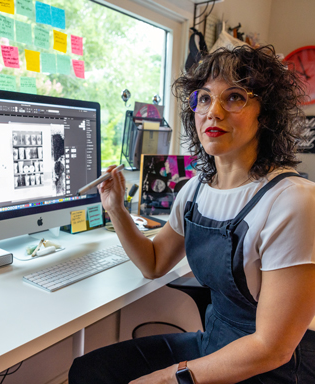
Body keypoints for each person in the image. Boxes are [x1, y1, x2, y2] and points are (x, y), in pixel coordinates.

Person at [68, 45, 315, 384]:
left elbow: (273, 348)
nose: (213, 111)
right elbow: (154, 263)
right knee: (89, 371)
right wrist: (116, 209)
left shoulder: (293, 201)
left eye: (235, 97)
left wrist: (167, 378)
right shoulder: (196, 190)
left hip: (274, 369)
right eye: (203, 98)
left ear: (266, 115)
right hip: (215, 345)